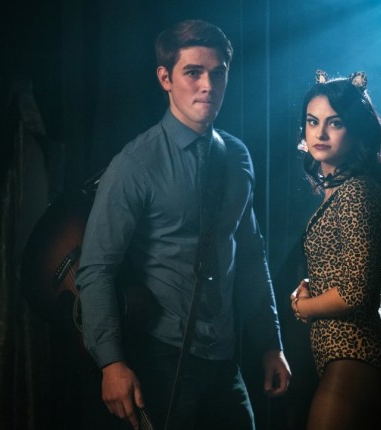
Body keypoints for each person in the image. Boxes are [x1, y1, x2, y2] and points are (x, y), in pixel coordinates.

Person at [76, 19, 291, 430]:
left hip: (225, 358)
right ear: (165, 79)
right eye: (193, 72)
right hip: (163, 359)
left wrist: (270, 343)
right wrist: (111, 363)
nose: (207, 85)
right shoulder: (135, 164)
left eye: (217, 73)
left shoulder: (238, 158)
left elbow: (250, 256)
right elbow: (96, 268)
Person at [289, 70, 381, 430]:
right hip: (345, 358)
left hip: (357, 354)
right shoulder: (340, 191)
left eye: (334, 123)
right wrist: (313, 286)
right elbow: (356, 270)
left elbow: (356, 293)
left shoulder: (356, 192)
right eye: (312, 122)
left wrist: (304, 307)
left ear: (355, 130)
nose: (320, 133)